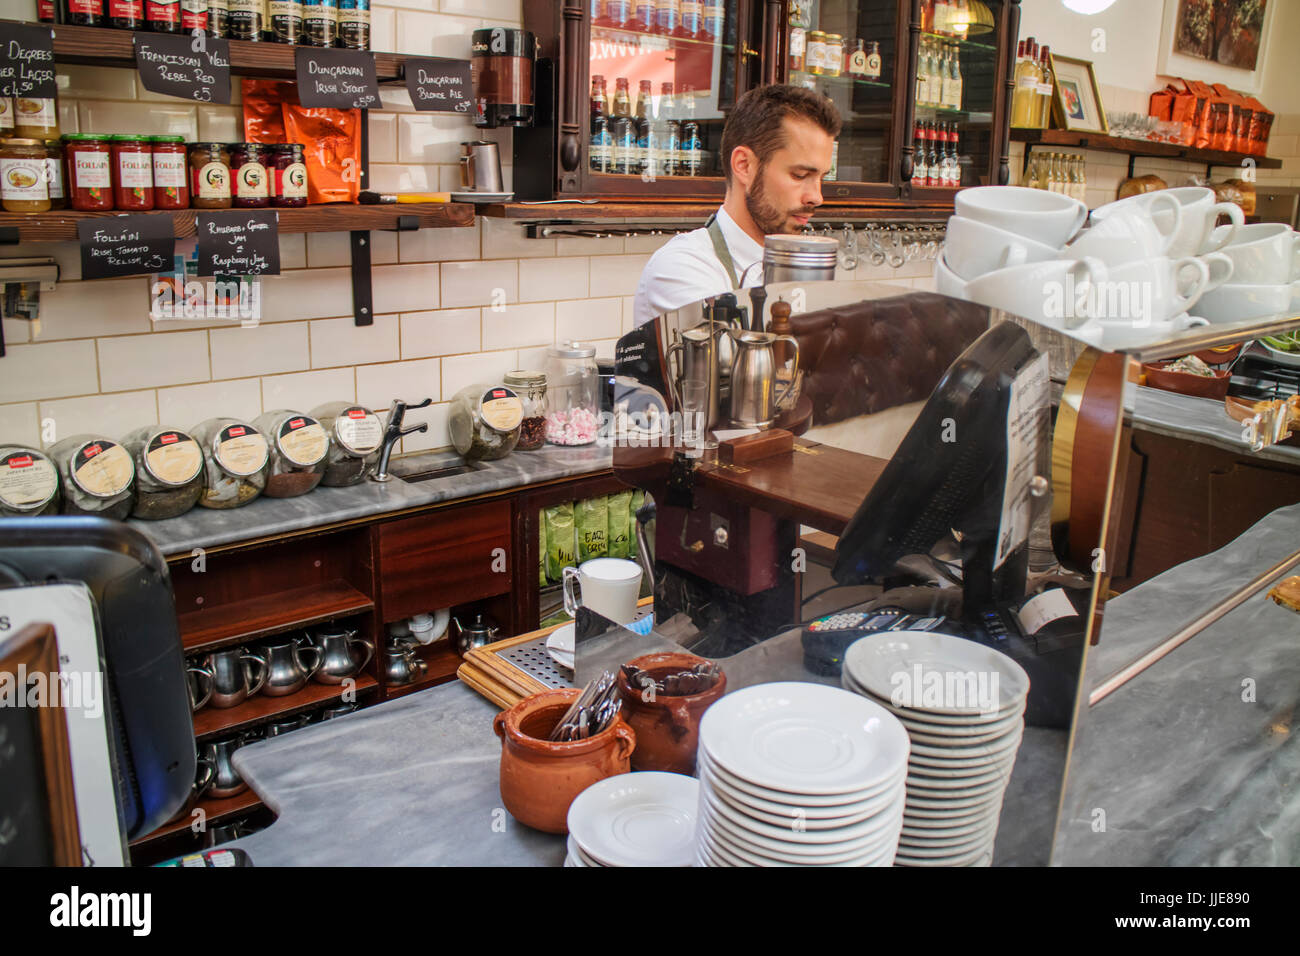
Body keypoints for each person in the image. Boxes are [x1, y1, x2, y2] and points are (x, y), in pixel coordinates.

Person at [631, 85, 841, 327]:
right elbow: (735, 361)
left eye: (822, 178)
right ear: (744, 166)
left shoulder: (795, 271)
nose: (817, 197)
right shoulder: (682, 267)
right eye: (800, 175)